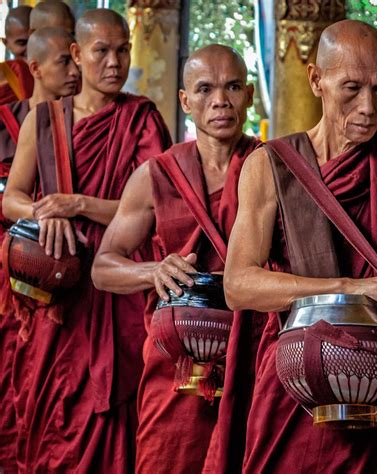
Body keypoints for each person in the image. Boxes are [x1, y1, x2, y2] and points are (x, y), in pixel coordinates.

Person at [224, 19, 377, 473]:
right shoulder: (270, 166)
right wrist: (350, 290)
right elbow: (238, 285)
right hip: (295, 390)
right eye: (351, 88)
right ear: (316, 80)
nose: (368, 107)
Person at [2, 9, 171, 473]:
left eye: (122, 50)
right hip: (55, 286)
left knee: (115, 412)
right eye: (102, 51)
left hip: (116, 289)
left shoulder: (141, 119)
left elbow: (155, 208)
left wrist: (78, 204)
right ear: (77, 53)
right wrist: (44, 212)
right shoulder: (44, 120)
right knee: (50, 404)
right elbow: (12, 198)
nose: (114, 62)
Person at [92, 44, 265, 473]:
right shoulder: (157, 175)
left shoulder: (272, 169)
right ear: (185, 101)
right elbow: (102, 266)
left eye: (233, 87)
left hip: (251, 358)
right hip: (175, 365)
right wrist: (155, 269)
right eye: (204, 89)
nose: (220, 100)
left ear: (249, 96)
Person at [0, 26, 79, 473]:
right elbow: (12, 197)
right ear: (34, 66)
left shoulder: (123, 118)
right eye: (63, 61)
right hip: (21, 267)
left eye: (75, 57)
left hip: (87, 275)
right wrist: (40, 213)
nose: (75, 69)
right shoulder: (20, 118)